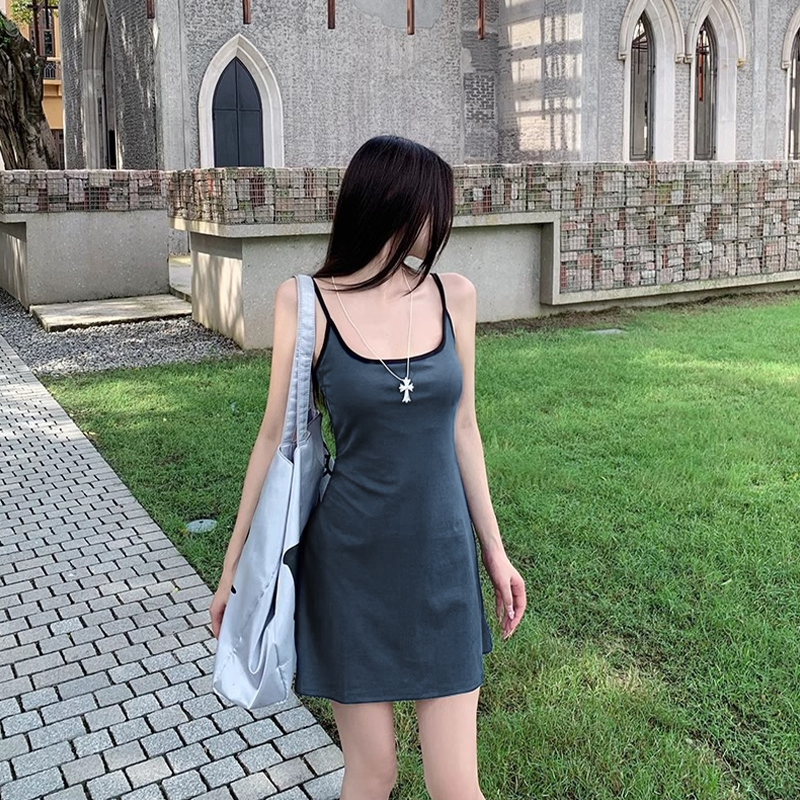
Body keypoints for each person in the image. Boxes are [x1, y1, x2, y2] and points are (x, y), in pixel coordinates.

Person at [210, 135, 526, 800]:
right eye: (434, 204)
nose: (443, 220)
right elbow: (272, 440)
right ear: (393, 203)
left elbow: (464, 429)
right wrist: (235, 566)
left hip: (442, 563)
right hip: (350, 569)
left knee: (456, 786)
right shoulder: (306, 303)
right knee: (373, 772)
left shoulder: (455, 296)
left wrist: (495, 554)